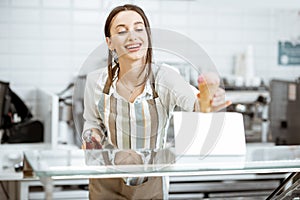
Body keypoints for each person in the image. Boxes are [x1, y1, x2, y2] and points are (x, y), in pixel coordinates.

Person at [82, 4, 231, 200]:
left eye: (138, 28)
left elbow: (194, 104)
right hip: (105, 181)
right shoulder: (95, 81)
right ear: (110, 43)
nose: (132, 36)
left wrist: (208, 100)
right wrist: (91, 137)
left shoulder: (166, 77)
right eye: (122, 31)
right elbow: (92, 123)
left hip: (151, 182)